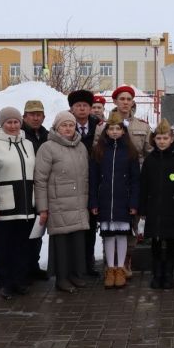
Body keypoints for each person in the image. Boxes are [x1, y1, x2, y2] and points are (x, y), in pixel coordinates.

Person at [94, 85, 152, 277]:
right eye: (122, 99)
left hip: (134, 183)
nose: (125, 102)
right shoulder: (102, 127)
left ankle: (126, 261)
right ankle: (109, 264)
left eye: (129, 99)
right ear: (115, 102)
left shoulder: (143, 127)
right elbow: (97, 153)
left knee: (131, 226)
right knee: (109, 226)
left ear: (133, 102)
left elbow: (149, 154)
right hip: (109, 185)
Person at [34, 110, 90, 293]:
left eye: (71, 125)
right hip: (58, 204)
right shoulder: (48, 147)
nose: (68, 128)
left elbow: (86, 177)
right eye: (64, 125)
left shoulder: (81, 147)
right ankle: (62, 278)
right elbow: (40, 180)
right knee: (62, 243)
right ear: (56, 127)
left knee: (77, 242)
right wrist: (43, 208)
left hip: (78, 203)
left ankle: (75, 274)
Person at [0, 107, 37, 300]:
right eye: (9, 122)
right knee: (5, 246)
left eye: (16, 122)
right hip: (5, 205)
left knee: (23, 245)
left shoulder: (29, 144)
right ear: (2, 124)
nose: (13, 126)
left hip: (26, 204)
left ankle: (20, 280)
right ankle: (6, 283)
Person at [89, 111, 141, 289]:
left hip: (123, 200)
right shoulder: (99, 151)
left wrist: (134, 202)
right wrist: (93, 202)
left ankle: (120, 268)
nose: (114, 132)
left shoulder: (130, 152)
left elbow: (135, 180)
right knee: (108, 236)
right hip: (105, 201)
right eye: (111, 129)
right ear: (106, 131)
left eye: (118, 128)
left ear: (123, 131)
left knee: (122, 236)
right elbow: (94, 179)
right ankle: (110, 268)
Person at [139, 119, 174, 289]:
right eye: (158, 138)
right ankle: (157, 273)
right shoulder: (149, 161)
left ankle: (169, 274)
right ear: (154, 139)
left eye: (165, 138)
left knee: (171, 242)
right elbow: (143, 185)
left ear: (172, 139)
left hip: (172, 208)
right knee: (156, 242)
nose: (162, 142)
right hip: (154, 208)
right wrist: (142, 207)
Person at [68, 89, 101, 277]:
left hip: (94, 183)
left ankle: (89, 263)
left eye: (85, 106)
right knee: (75, 227)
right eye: (78, 105)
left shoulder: (99, 127)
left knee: (90, 226)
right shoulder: (65, 126)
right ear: (72, 108)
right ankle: (74, 264)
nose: (81, 109)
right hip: (73, 184)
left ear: (90, 108)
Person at [21, 99, 49, 282]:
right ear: (24, 117)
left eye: (39, 114)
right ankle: (23, 268)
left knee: (38, 230)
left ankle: (34, 265)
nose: (35, 118)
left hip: (42, 188)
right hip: (24, 189)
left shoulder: (47, 135)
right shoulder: (20, 134)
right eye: (32, 114)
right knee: (23, 233)